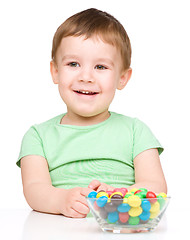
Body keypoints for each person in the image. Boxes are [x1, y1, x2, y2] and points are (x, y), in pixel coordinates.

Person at [17, 8, 167, 218]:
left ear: (122, 77)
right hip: (59, 230)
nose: (86, 76)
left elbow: (157, 186)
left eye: (100, 66)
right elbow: (34, 189)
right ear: (55, 71)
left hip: (121, 225)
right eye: (73, 64)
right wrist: (60, 200)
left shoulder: (136, 131)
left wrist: (118, 196)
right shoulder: (37, 136)